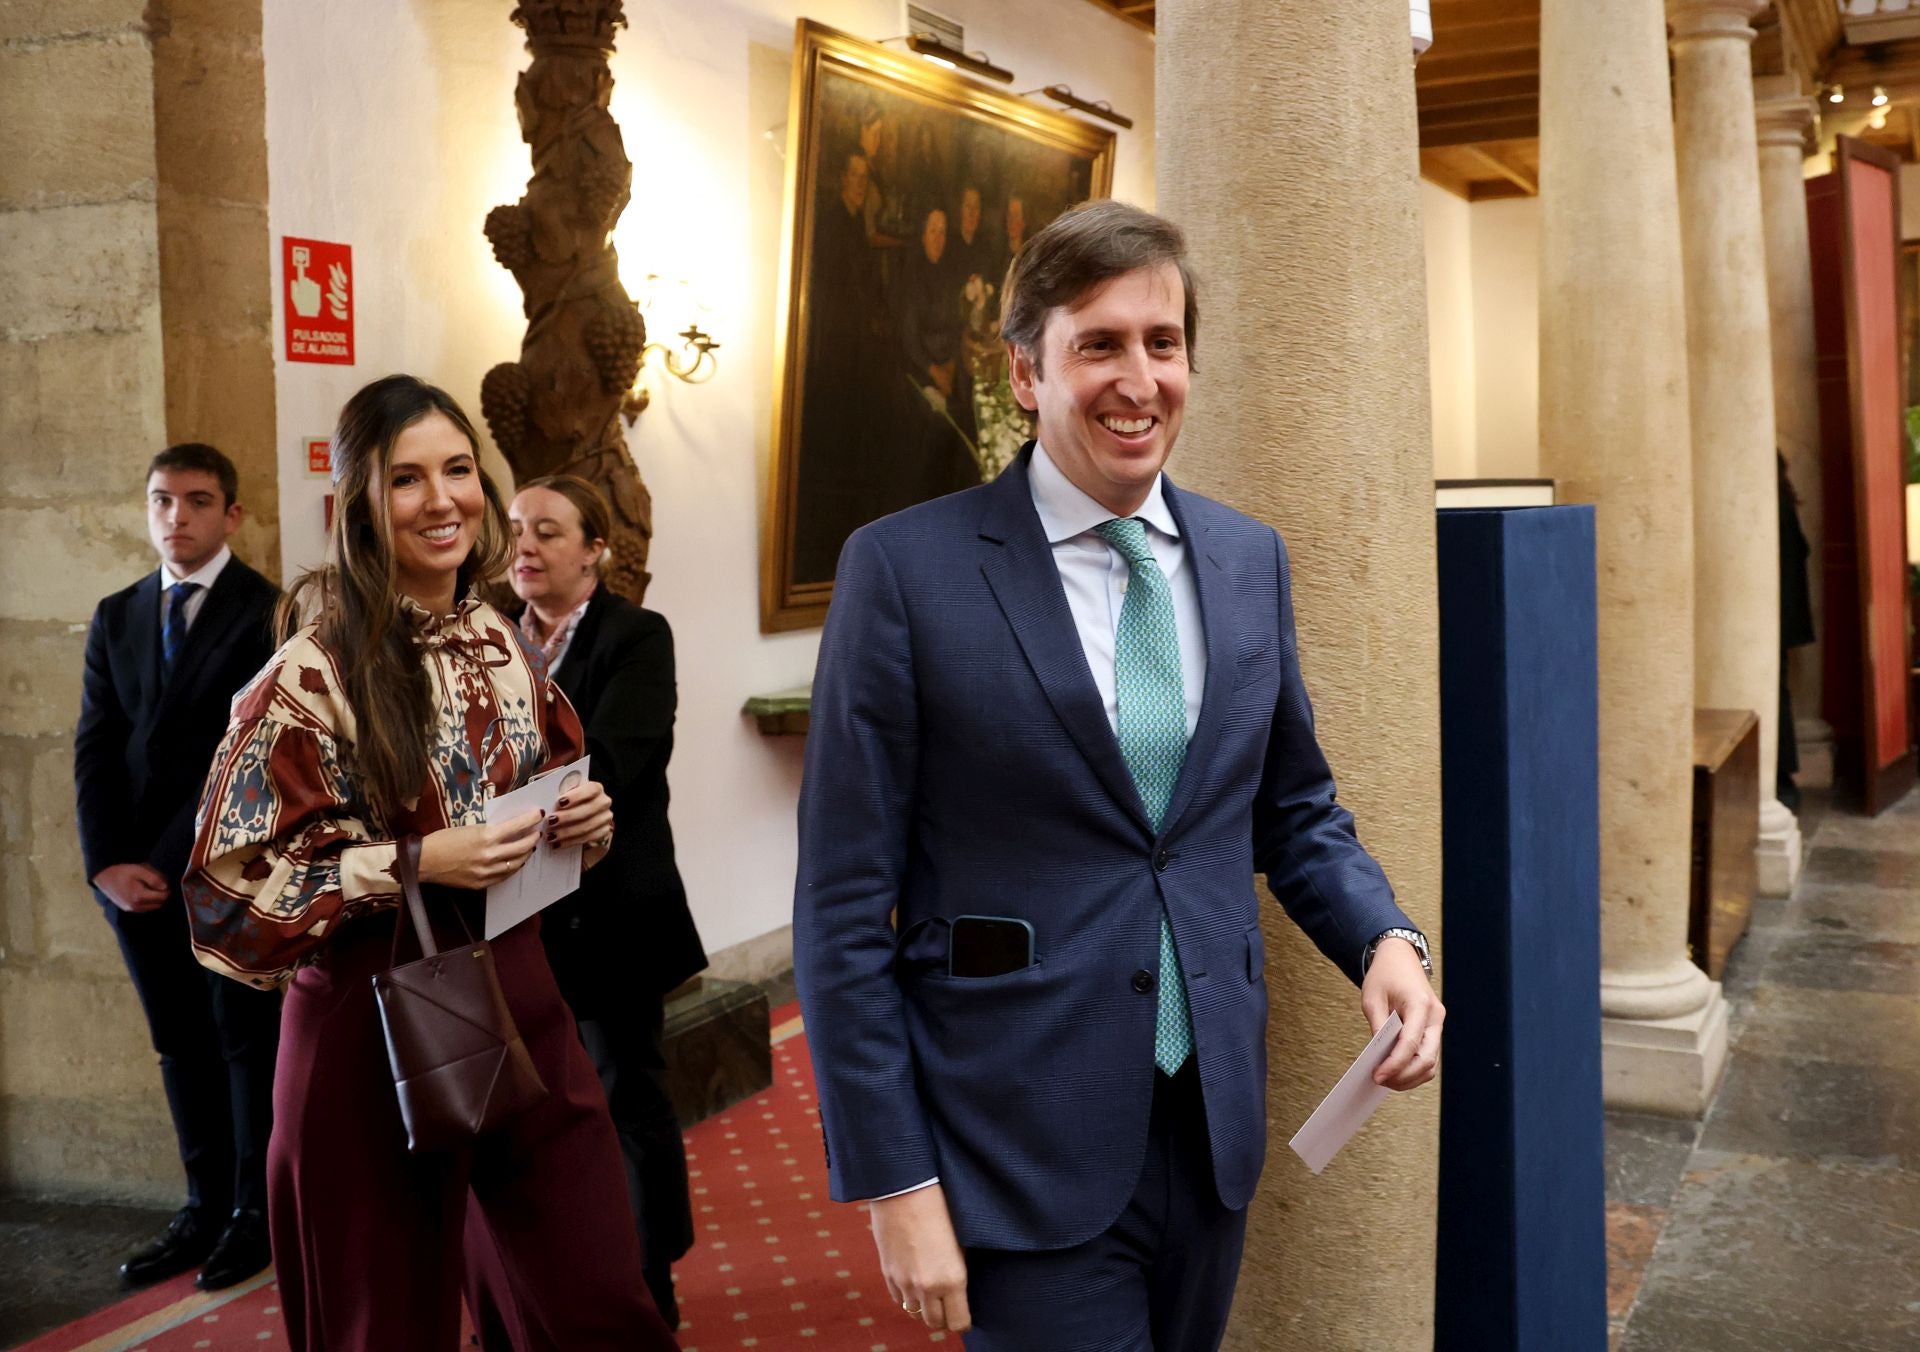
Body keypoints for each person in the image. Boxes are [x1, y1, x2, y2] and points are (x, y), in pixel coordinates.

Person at [793, 200, 1444, 1350]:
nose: (1138, 379)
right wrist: (896, 1180)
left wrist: (1384, 937)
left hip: (1210, 1131)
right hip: (1015, 1135)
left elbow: (1293, 809)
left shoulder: (1247, 559)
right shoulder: (904, 569)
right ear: (1025, 371)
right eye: (1098, 343)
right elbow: (842, 909)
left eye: (1162, 342)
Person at [183, 375, 678, 1351]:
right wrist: (415, 860)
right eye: (407, 477)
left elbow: (550, 783)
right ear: (361, 502)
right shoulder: (310, 671)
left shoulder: (500, 639)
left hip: (523, 996)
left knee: (595, 1305)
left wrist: (585, 819)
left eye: (458, 469)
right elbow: (227, 896)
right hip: (365, 1026)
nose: (442, 497)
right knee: (385, 1326)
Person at [500, 473, 708, 1327]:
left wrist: (497, 808)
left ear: (594, 550)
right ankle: (543, 1286)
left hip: (612, 910)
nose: (524, 545)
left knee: (626, 1098)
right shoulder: (486, 638)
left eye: (547, 531)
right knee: (527, 1112)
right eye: (516, 528)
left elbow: (617, 758)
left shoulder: (636, 636)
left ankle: (648, 1284)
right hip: (514, 916)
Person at [74, 441, 282, 1291]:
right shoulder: (118, 613)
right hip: (132, 883)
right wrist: (106, 866)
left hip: (226, 870)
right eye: (162, 500)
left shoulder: (268, 612)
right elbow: (96, 747)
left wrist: (162, 861)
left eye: (197, 501)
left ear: (232, 514)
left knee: (243, 1043)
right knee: (179, 1045)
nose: (176, 517)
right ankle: (202, 1206)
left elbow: (244, 753)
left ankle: (252, 1213)